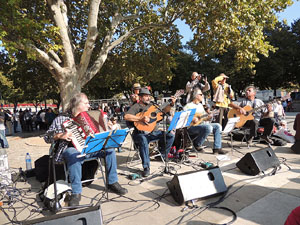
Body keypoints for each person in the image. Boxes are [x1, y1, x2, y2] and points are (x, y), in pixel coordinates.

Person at [44, 93, 128, 208]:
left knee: (109, 149)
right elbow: (47, 137)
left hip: (91, 149)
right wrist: (61, 135)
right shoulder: (62, 118)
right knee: (73, 154)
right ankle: (76, 192)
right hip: (71, 149)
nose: (89, 106)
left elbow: (100, 134)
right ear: (77, 104)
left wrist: (107, 127)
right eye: (86, 103)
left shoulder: (91, 116)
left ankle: (112, 182)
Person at [124, 87, 176, 177]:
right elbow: (127, 116)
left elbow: (164, 111)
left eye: (149, 96)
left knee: (170, 135)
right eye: (146, 96)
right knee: (143, 140)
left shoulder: (153, 106)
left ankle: (162, 155)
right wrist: (140, 118)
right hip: (139, 134)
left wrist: (171, 104)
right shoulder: (136, 107)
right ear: (140, 97)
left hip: (152, 133)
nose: (148, 98)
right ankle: (146, 168)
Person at [184, 88, 226, 154]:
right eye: (201, 94)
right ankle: (197, 144)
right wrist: (192, 119)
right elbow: (183, 117)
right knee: (208, 127)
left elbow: (203, 117)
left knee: (218, 126)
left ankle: (217, 148)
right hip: (191, 127)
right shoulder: (188, 106)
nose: (202, 96)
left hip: (201, 125)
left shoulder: (200, 105)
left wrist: (209, 117)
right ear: (196, 96)